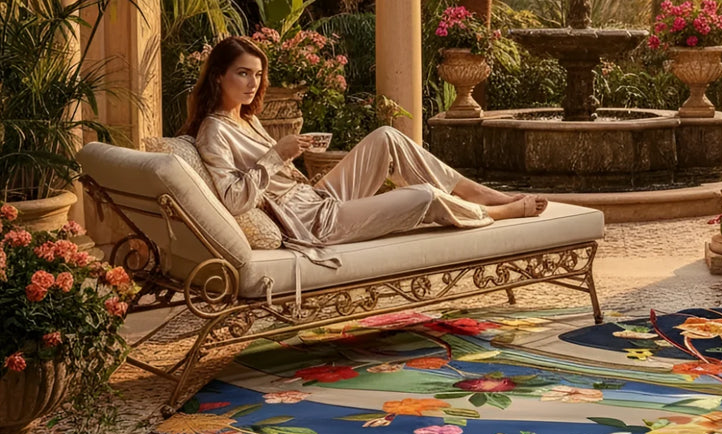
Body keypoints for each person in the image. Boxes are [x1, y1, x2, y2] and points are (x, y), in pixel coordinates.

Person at [185, 36, 545, 264]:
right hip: (310, 224)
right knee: (422, 196)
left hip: (315, 198)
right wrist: (276, 155)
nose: (253, 83)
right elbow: (233, 200)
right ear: (219, 76)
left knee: (387, 136)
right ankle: (500, 212)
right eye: (243, 74)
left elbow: (276, 173)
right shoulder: (213, 130)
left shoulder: (246, 119)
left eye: (258, 74)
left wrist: (291, 161)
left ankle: (478, 192)